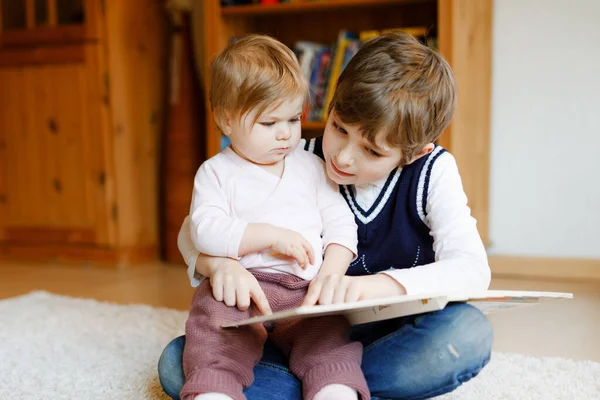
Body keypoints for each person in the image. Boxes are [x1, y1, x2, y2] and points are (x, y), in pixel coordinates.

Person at [159, 32, 494, 400]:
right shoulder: (294, 155)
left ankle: (328, 384)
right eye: (339, 128)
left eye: (371, 149)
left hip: (383, 339)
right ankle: (330, 387)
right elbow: (195, 227)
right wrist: (217, 264)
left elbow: (472, 270)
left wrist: (373, 286)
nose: (343, 157)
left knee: (468, 332)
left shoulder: (433, 172)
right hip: (295, 329)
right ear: (330, 104)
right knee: (178, 362)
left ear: (414, 153)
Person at [180, 34, 370, 400]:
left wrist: (330, 276)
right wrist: (268, 236)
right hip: (240, 289)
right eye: (269, 123)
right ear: (226, 120)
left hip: (304, 292)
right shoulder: (216, 173)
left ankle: (333, 389)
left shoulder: (311, 166)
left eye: (293, 119)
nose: (285, 134)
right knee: (213, 333)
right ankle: (215, 389)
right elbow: (204, 230)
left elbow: (341, 227)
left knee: (329, 339)